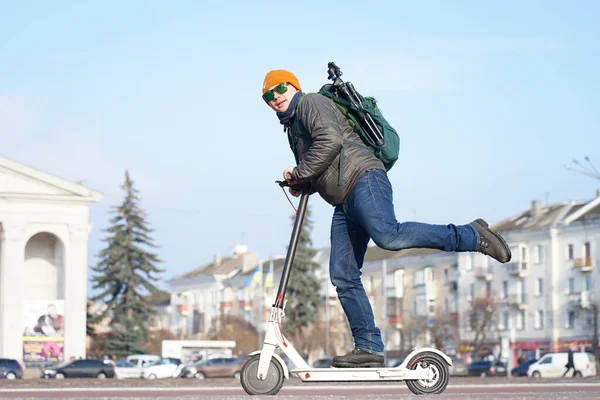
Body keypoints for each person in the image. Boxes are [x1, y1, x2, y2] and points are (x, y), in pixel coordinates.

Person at [261, 69, 512, 368]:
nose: (276, 97)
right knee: (343, 274)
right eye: (268, 95)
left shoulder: (311, 104)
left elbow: (329, 141)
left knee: (388, 235)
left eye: (280, 89)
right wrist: (301, 184)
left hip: (364, 179)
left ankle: (472, 235)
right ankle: (368, 345)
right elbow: (321, 165)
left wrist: (300, 173)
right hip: (344, 200)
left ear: (294, 86)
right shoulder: (293, 128)